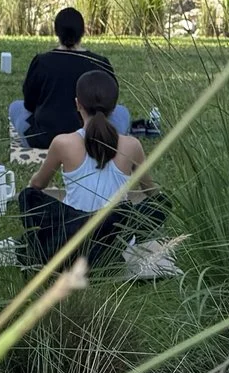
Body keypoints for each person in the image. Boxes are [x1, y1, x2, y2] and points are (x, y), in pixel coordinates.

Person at [18, 69, 169, 273]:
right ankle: (105, 256)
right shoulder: (131, 146)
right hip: (114, 241)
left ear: (77, 104)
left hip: (71, 237)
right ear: (114, 108)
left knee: (28, 197)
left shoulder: (63, 143)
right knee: (161, 204)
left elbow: (37, 186)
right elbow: (152, 194)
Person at [11, 7, 134, 148]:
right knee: (122, 112)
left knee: (15, 107)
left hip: (44, 139)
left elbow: (29, 103)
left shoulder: (41, 62)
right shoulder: (100, 62)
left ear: (56, 32)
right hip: (94, 139)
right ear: (83, 31)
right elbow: (110, 104)